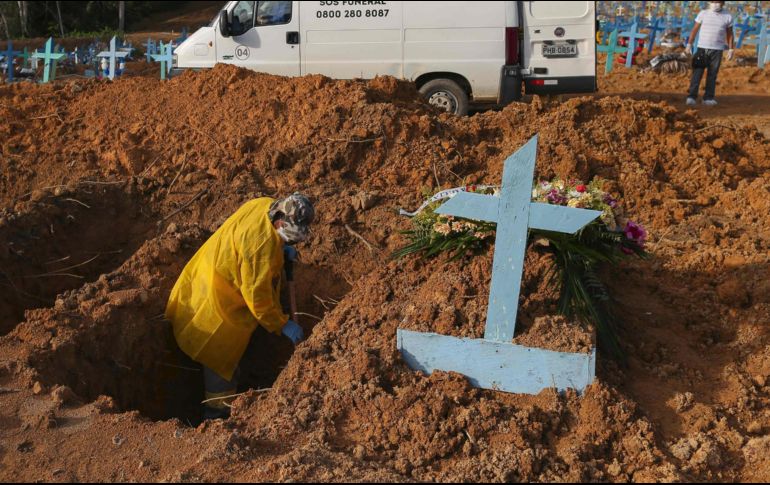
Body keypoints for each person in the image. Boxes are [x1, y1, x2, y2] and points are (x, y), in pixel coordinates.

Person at [165, 193, 314, 420]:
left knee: (227, 361)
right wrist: (282, 324)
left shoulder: (264, 205)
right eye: (289, 238)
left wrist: (280, 249)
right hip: (214, 307)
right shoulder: (260, 249)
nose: (290, 242)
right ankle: (215, 416)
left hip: (205, 276)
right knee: (220, 363)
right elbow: (258, 300)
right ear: (280, 222)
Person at [686, 1, 734, 106]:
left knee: (712, 74)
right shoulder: (703, 13)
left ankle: (708, 97)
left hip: (717, 50)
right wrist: (689, 44)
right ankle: (691, 96)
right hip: (702, 48)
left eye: (718, 2)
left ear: (722, 3)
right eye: (713, 2)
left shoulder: (728, 16)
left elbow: (730, 34)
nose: (715, 4)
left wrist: (731, 49)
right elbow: (694, 30)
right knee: (697, 73)